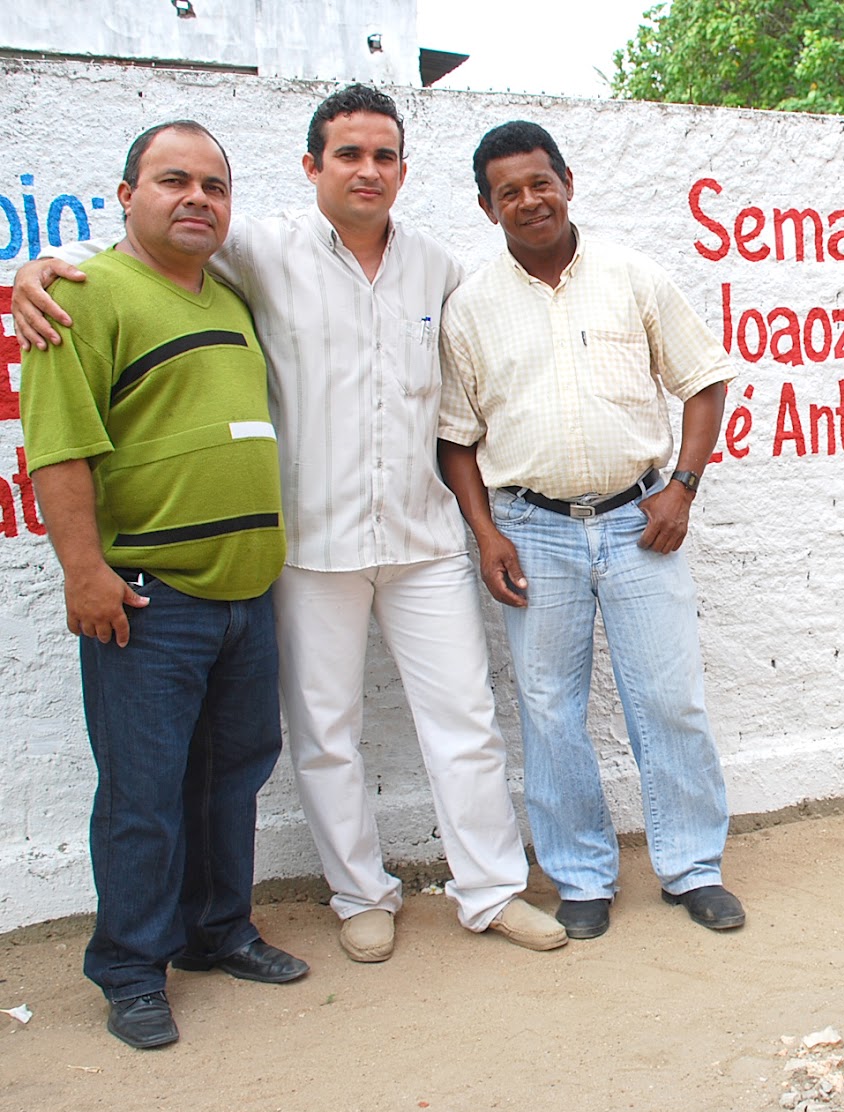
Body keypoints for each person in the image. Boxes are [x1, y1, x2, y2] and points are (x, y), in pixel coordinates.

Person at [12, 86, 566, 963]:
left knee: (464, 718)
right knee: (324, 730)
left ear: (403, 170)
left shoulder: (436, 265)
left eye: (384, 156)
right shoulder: (261, 248)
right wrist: (41, 268)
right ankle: (359, 893)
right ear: (312, 166)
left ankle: (491, 889)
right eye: (348, 154)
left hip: (421, 541)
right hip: (309, 546)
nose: (367, 171)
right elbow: (150, 244)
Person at [20, 121, 307, 1049]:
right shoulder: (84, 294)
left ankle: (217, 931)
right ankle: (133, 970)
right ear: (125, 194)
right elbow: (60, 446)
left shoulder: (227, 298)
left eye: (214, 186)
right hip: (148, 598)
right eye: (173, 180)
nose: (197, 198)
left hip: (244, 598)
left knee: (231, 781)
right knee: (143, 793)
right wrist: (84, 571)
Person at [436, 121, 743, 941]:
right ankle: (580, 875)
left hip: (641, 523)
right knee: (548, 708)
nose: (529, 200)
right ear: (486, 204)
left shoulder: (633, 276)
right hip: (531, 530)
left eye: (541, 182)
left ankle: (692, 867)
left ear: (567, 180)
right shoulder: (469, 307)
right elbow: (455, 438)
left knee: (668, 699)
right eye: (509, 191)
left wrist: (682, 486)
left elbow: (704, 381)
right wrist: (484, 533)